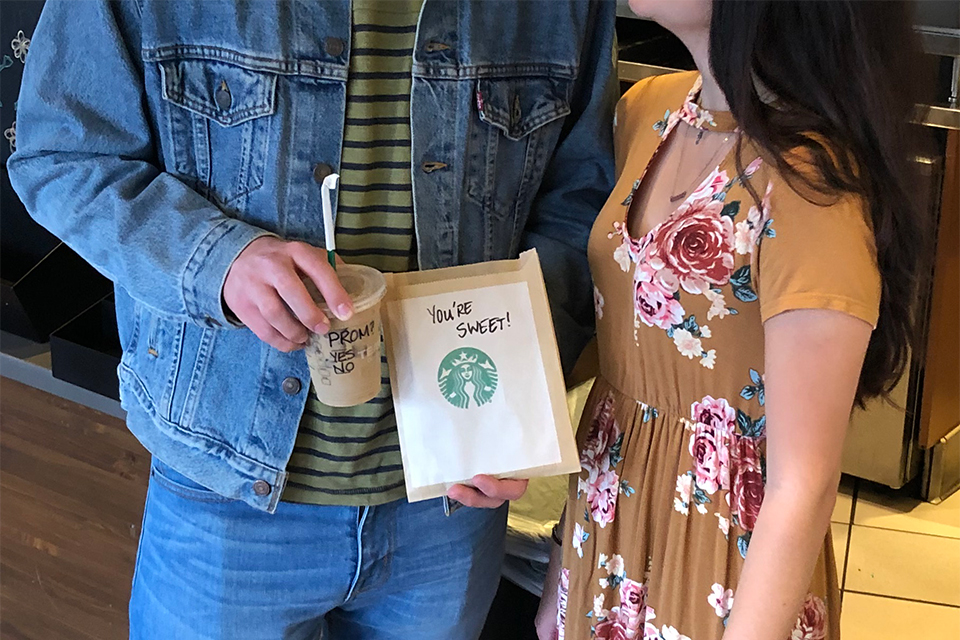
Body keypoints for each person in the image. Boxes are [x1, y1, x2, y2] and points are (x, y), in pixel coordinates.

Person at [7, 1, 616, 638]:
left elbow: (581, 205)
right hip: (227, 492)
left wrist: (514, 407)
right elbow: (63, 157)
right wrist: (217, 259)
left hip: (450, 508)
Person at [536, 1, 929, 639]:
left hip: (723, 557)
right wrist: (561, 574)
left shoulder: (808, 183)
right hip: (605, 523)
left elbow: (802, 485)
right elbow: (629, 341)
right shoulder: (648, 109)